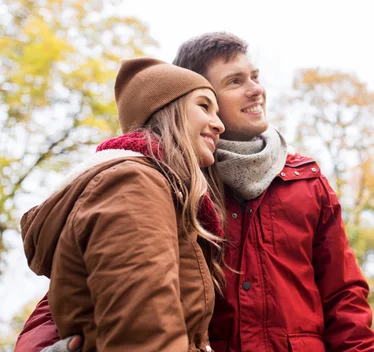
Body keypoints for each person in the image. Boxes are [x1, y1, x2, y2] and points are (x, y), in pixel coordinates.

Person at [16, 33, 374, 351]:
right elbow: (99, 280)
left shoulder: (305, 181)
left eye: (255, 76)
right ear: (191, 97)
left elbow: (344, 296)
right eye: (235, 81)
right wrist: (39, 347)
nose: (256, 89)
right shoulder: (168, 183)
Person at [17, 57, 226, 352]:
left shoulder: (151, 187)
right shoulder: (134, 183)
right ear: (166, 111)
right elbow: (144, 335)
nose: (219, 124)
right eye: (204, 106)